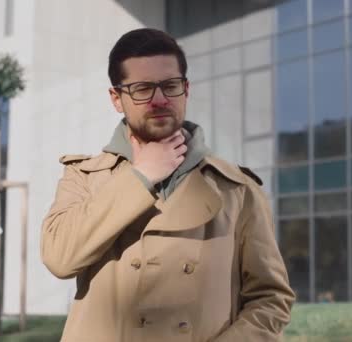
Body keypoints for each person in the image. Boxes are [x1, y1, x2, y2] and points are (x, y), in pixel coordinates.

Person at [41, 28, 295, 342]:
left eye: (170, 86)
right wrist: (141, 176)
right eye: (142, 88)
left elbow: (271, 299)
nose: (159, 100)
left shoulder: (237, 189)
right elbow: (59, 258)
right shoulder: (84, 176)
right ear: (116, 99)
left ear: (186, 90)